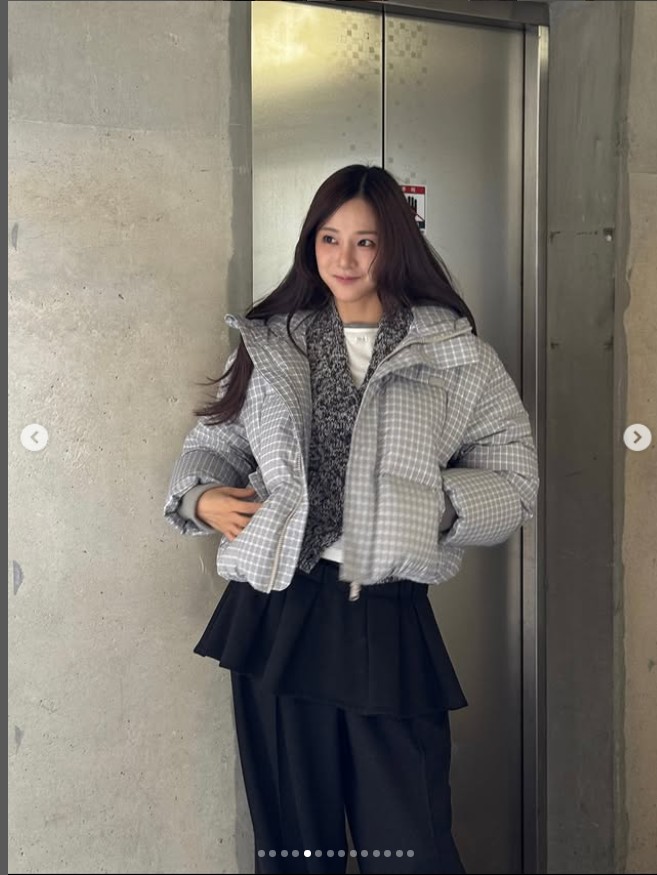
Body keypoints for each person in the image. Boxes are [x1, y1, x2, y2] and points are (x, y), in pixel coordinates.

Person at [164, 164, 540, 874]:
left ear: (396, 244)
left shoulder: (457, 356)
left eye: (365, 241)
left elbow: (516, 483)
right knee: (294, 845)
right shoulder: (271, 344)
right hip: (276, 609)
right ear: (311, 243)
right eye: (329, 238)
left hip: (385, 611)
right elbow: (213, 442)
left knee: (412, 845)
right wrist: (200, 498)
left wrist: (434, 505)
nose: (344, 258)